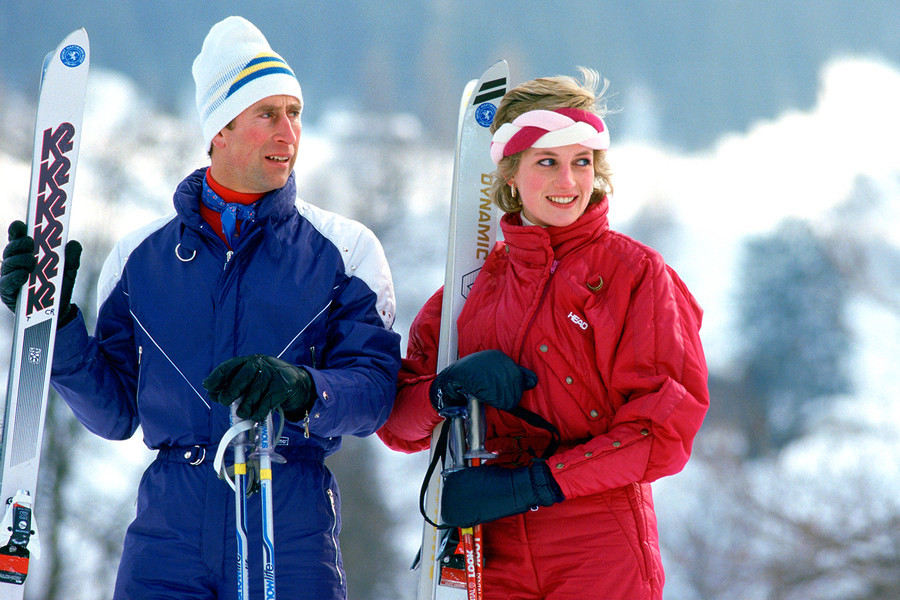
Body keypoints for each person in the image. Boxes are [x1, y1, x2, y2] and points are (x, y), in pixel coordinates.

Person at [0, 16, 401, 600]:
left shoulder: (344, 251)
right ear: (219, 128)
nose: (288, 132)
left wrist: (304, 389)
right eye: (268, 114)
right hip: (169, 531)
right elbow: (114, 413)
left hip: (288, 519)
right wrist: (54, 328)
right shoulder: (141, 258)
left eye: (295, 113)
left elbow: (377, 394)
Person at [377, 68, 709, 599]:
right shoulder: (470, 291)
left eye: (582, 162)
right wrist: (446, 390)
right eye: (547, 162)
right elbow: (397, 425)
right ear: (509, 174)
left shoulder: (635, 275)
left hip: (598, 547)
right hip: (493, 552)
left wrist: (532, 485)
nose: (568, 182)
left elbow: (663, 432)